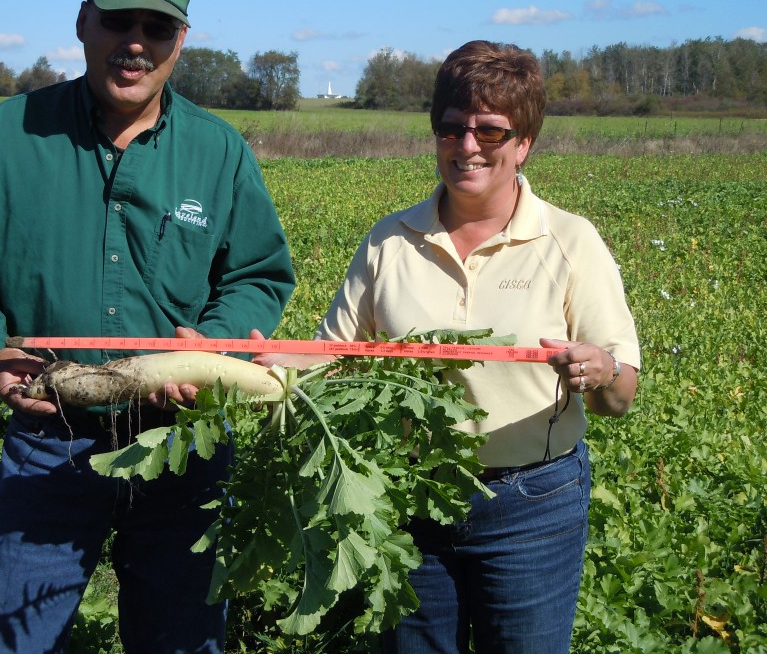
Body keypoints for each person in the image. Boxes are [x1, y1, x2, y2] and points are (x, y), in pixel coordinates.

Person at [0, 0, 295, 653]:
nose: (135, 44)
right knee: (11, 642)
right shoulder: (10, 134)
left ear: (180, 40)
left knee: (181, 640)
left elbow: (256, 275)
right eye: (118, 21)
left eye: (156, 28)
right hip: (51, 438)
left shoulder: (218, 152)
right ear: (82, 22)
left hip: (182, 445)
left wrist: (211, 346)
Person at [255, 40, 639, 653]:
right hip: (408, 495)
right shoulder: (390, 239)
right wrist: (272, 363)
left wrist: (603, 370)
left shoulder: (570, 242)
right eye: (452, 128)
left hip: (531, 505)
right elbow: (335, 352)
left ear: (524, 143)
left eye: (490, 132)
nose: (467, 147)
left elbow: (622, 395)